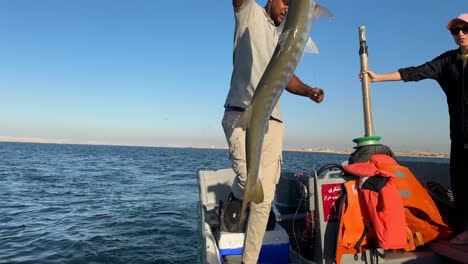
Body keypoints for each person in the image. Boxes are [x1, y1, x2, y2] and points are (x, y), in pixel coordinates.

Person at [221, 0, 325, 262]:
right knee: (248, 182)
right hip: (239, 113)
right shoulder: (249, 13)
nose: (288, 8)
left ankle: (249, 260)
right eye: (285, 2)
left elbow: (288, 78)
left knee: (263, 200)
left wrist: (309, 91)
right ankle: (236, 194)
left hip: (274, 123)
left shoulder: (286, 34)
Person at [362, 13, 468, 245]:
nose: (460, 34)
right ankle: (465, 230)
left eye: (465, 29)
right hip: (459, 136)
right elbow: (415, 72)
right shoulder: (447, 61)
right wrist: (378, 78)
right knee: (460, 184)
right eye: (455, 30)